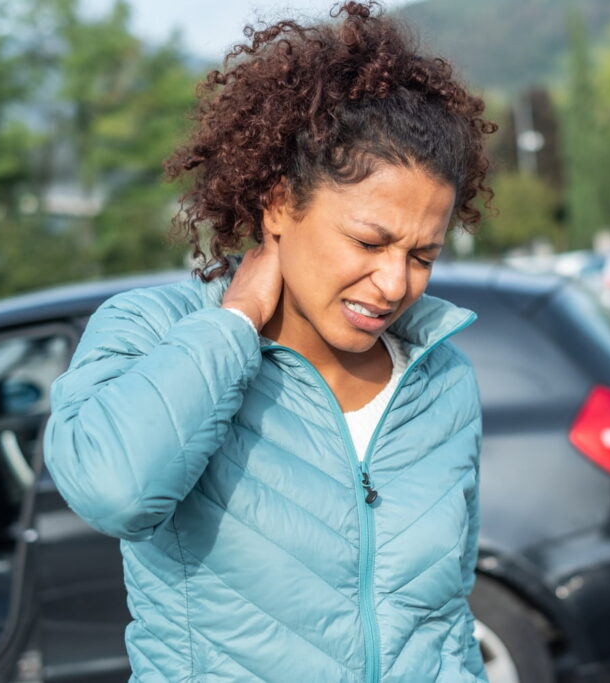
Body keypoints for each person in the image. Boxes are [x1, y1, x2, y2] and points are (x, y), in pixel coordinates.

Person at [43, 2, 496, 680]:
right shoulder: (156, 330)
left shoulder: (443, 379)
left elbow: (446, 618)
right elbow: (114, 490)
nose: (395, 280)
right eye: (370, 241)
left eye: (423, 254)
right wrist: (233, 325)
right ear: (280, 203)